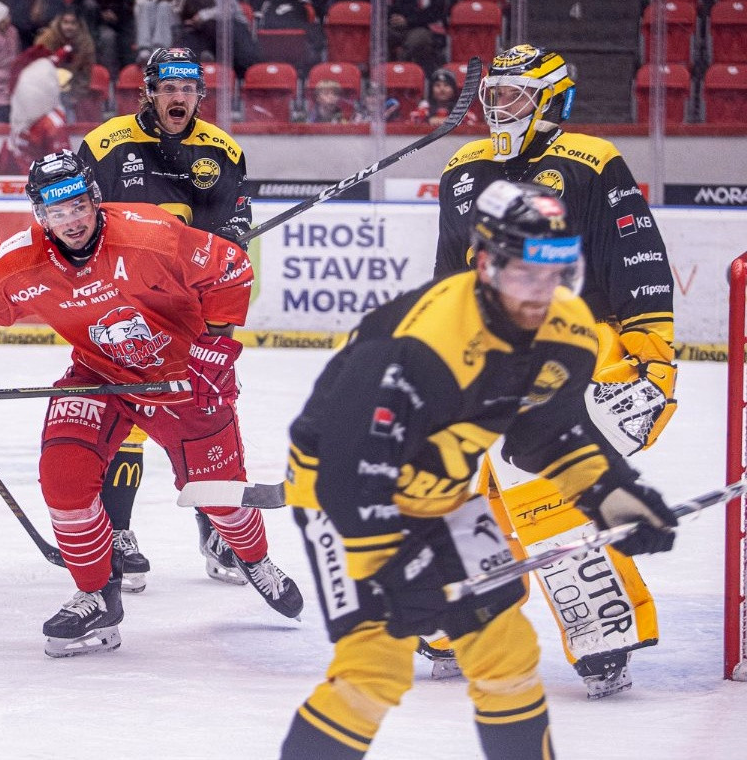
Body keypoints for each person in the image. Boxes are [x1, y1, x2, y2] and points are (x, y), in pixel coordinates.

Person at [279, 180, 678, 758]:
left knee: (506, 653)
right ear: (486, 265)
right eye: (526, 274)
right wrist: (397, 566)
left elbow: (545, 431)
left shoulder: (567, 325)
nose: (542, 294)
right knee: (374, 666)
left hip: (441, 491)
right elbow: (348, 473)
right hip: (342, 499)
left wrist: (609, 491)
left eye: (558, 272)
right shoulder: (420, 344)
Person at [0, 150, 303, 657]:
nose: (72, 220)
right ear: (40, 214)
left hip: (182, 379)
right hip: (98, 376)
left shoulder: (149, 233)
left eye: (78, 205)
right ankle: (97, 597)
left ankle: (255, 559)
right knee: (63, 476)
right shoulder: (22, 260)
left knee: (219, 497)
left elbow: (230, 267)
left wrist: (215, 346)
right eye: (57, 211)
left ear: (95, 198)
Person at [433, 44, 678, 699]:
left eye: (513, 97)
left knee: (538, 481)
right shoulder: (462, 169)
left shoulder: (591, 161)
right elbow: (449, 276)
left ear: (549, 102)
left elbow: (636, 256)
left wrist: (653, 352)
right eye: (492, 97)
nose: (497, 109)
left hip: (577, 354)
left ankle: (604, 628)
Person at [76, 47, 253, 592]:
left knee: (207, 415)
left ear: (200, 94)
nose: (179, 97)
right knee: (125, 418)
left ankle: (218, 528)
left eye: (188, 88)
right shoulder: (104, 146)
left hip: (189, 313)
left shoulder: (222, 152)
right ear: (148, 92)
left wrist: (218, 328)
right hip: (119, 310)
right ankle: (118, 533)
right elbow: (75, 231)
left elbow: (231, 249)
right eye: (169, 88)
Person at [0, 56, 72, 175]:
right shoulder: (21, 118)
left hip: (39, 183)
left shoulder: (52, 124)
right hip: (17, 181)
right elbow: (5, 161)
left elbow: (63, 170)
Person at [409, 67, 478, 127]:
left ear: (453, 89)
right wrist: (428, 120)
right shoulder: (425, 106)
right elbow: (412, 120)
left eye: (446, 85)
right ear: (431, 89)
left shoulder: (461, 107)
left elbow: (472, 120)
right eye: (437, 85)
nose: (442, 89)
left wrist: (451, 121)